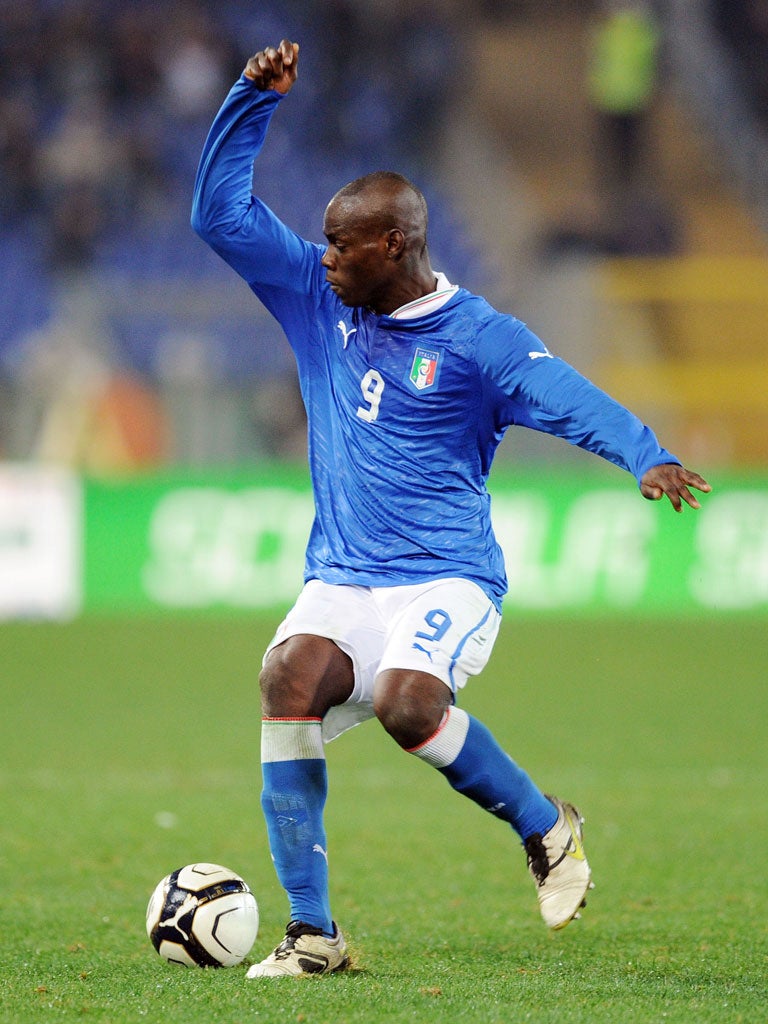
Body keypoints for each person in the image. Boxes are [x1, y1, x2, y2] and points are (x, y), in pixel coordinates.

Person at [191, 39, 710, 979]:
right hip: (344, 575)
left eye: (342, 243)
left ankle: (546, 826)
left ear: (392, 245)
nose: (325, 257)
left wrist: (645, 453)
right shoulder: (315, 295)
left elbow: (565, 395)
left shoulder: (479, 340)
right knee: (286, 678)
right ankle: (314, 935)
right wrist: (250, 99)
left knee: (407, 702)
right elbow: (218, 215)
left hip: (448, 576)